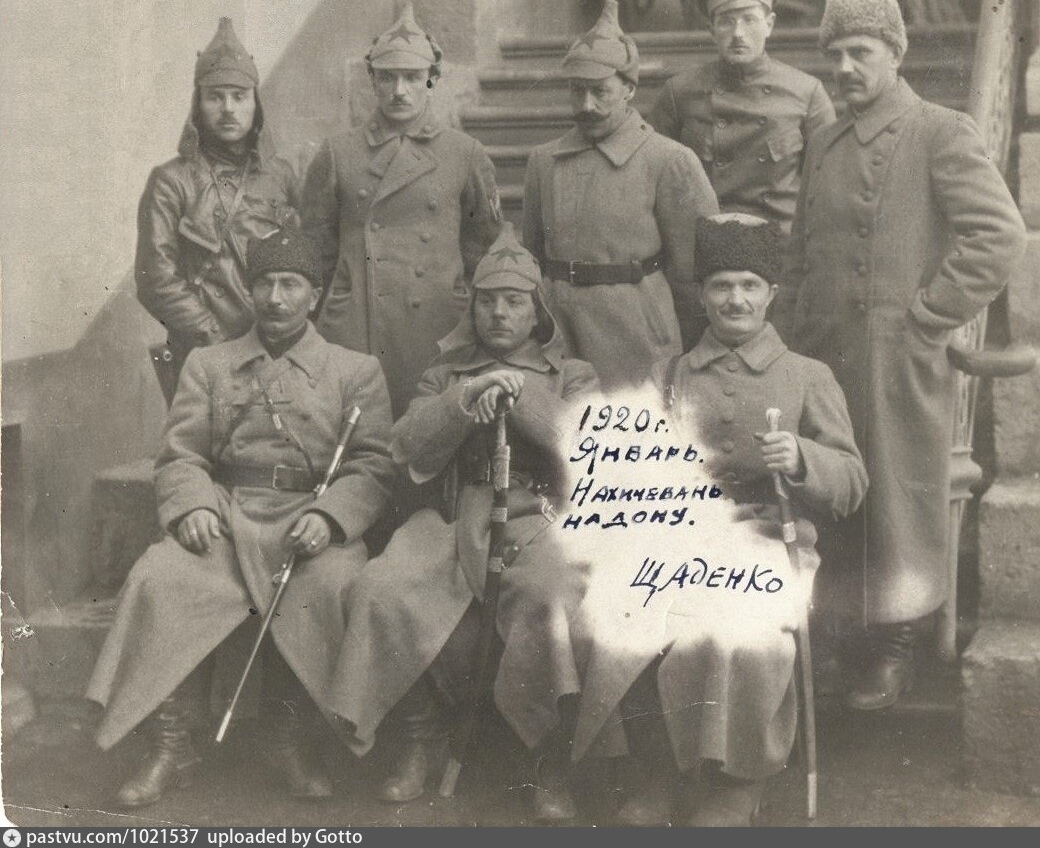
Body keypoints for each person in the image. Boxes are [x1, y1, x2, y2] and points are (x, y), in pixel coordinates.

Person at [774, 0, 1026, 710]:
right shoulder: (823, 142)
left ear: (894, 52)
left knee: (893, 499)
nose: (844, 67)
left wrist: (927, 316)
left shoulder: (938, 131)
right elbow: (799, 254)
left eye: (860, 51)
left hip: (897, 354)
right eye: (834, 54)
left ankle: (894, 648)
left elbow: (997, 235)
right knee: (831, 490)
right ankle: (841, 638)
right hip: (822, 352)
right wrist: (787, 344)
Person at [569, 214, 867, 826]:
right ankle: (659, 772)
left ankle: (737, 782)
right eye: (722, 285)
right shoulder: (669, 375)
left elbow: (853, 484)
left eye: (749, 285)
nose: (736, 299)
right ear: (702, 295)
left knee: (739, 624)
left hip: (771, 535)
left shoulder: (808, 376)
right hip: (681, 534)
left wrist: (803, 458)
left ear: (771, 294)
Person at [87, 230, 397, 807]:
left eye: (290, 284)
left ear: (314, 294)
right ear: (249, 290)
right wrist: (193, 505)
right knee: (160, 578)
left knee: (330, 585)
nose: (275, 298)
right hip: (226, 518)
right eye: (264, 283)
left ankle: (289, 742)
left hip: (308, 523)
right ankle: (171, 749)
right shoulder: (209, 364)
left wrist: (331, 518)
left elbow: (373, 465)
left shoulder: (355, 371)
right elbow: (181, 455)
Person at [328, 226, 600, 822]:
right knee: (382, 586)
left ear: (538, 312)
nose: (499, 313)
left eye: (514, 301)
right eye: (487, 301)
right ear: (471, 308)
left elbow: (589, 447)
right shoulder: (445, 373)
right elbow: (405, 445)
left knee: (551, 596)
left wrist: (523, 397)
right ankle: (419, 737)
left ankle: (545, 757)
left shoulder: (571, 374)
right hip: (450, 516)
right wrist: (466, 396)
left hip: (536, 517)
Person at [302, 3, 502, 419]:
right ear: (372, 81)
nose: (399, 90)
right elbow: (315, 252)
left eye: (412, 77)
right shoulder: (339, 153)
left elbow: (482, 249)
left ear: (432, 80)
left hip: (436, 323)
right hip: (357, 323)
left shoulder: (464, 153)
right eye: (388, 77)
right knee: (358, 431)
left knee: (429, 427)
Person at [522, 0, 719, 387]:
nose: (586, 105)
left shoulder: (668, 159)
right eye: (576, 91)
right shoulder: (543, 161)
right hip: (560, 334)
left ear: (629, 88)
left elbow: (694, 273)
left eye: (600, 92)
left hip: (639, 335)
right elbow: (534, 259)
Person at [135, 18, 301, 395]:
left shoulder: (281, 176)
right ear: (198, 104)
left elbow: (305, 265)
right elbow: (155, 278)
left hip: (277, 348)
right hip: (205, 356)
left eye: (239, 96)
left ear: (256, 104)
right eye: (215, 96)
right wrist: (214, 339)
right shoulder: (170, 181)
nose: (228, 109)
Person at [647, 0, 835, 233]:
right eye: (726, 21)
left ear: (769, 24)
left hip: (780, 243)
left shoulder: (807, 93)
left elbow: (826, 187)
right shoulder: (680, 92)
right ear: (712, 30)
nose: (738, 34)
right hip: (707, 240)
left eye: (749, 19)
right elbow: (654, 178)